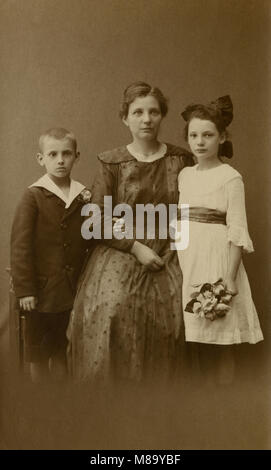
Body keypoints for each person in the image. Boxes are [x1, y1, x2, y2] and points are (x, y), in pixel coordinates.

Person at [67, 81, 194, 383]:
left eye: (153, 112)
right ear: (125, 118)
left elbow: (190, 211)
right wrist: (136, 247)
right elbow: (96, 220)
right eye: (138, 112)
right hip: (122, 246)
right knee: (113, 306)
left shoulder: (181, 159)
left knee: (178, 311)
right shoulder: (111, 162)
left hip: (173, 246)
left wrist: (176, 244)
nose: (146, 119)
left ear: (163, 116)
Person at [176, 95, 263, 384]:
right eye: (194, 135)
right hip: (189, 257)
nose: (200, 142)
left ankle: (222, 402)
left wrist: (230, 276)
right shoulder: (185, 175)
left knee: (221, 336)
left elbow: (237, 230)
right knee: (194, 336)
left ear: (222, 137)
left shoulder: (230, 176)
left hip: (217, 259)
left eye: (208, 135)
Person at [10, 128, 92, 383]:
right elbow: (20, 246)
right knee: (38, 354)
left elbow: (92, 238)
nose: (60, 160)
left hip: (73, 292)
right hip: (42, 293)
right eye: (53, 154)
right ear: (40, 158)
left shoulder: (83, 196)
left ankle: (62, 405)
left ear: (76, 157)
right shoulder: (33, 196)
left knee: (63, 351)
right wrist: (26, 290)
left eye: (66, 154)